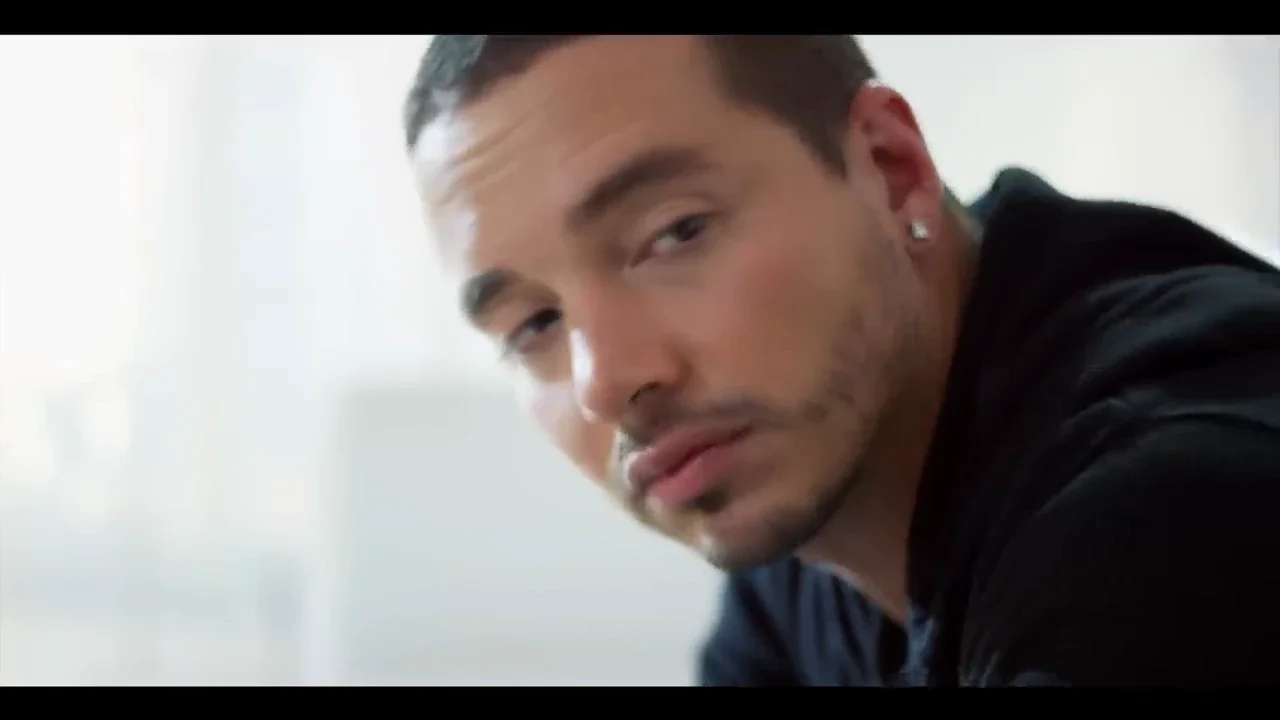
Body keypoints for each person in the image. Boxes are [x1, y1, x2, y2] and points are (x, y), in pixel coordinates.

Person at [401, 35, 1280, 686]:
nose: (605, 382)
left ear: (891, 170)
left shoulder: (1162, 522)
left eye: (675, 233)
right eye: (534, 323)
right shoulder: (795, 510)